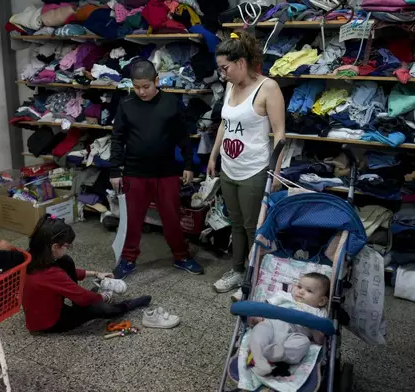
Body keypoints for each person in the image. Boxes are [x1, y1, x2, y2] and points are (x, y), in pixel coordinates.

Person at [208, 32, 286, 299]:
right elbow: (224, 124)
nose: (222, 74)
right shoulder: (231, 86)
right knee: (237, 223)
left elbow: (279, 134)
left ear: (241, 62)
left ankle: (256, 279)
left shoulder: (268, 88)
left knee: (255, 227)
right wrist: (213, 155)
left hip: (254, 169)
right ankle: (238, 271)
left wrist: (276, 170)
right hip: (230, 168)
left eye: (225, 68)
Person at [110, 59, 204, 279]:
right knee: (133, 219)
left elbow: (182, 136)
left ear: (156, 81)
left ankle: (181, 256)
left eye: (146, 86)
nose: (141, 92)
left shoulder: (171, 103)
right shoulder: (126, 105)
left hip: (166, 172)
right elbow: (117, 139)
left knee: (172, 217)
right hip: (134, 172)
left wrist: (189, 164)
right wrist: (115, 170)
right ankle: (128, 259)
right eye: (136, 87)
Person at [21, 215, 179, 333]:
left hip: (41, 312)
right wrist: (104, 297)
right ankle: (127, 305)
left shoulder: (33, 257)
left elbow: (63, 276)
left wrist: (96, 274)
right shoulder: (50, 273)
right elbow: (82, 296)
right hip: (49, 323)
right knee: (100, 309)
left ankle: (92, 294)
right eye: (67, 245)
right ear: (55, 246)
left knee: (67, 261)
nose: (68, 248)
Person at [248, 273, 330, 376]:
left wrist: (312, 326)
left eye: (309, 291)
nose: (301, 291)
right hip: (274, 325)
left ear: (321, 301)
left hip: (297, 334)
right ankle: (261, 362)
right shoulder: (284, 296)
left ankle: (278, 353)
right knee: (261, 329)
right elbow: (265, 307)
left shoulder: (319, 313)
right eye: (299, 287)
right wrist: (258, 316)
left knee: (303, 343)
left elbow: (320, 340)